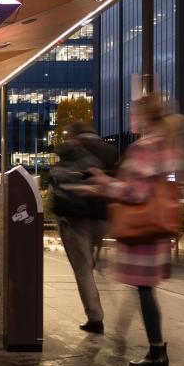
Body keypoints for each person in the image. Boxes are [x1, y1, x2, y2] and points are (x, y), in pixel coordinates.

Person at [80, 94, 184, 366]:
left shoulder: (145, 147)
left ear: (143, 116)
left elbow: (136, 192)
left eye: (135, 112)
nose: (132, 117)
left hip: (141, 229)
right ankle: (156, 349)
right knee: (145, 289)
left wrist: (104, 183)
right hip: (157, 227)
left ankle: (157, 351)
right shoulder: (166, 146)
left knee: (143, 289)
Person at [50, 122, 117, 334]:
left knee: (83, 269)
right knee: (89, 258)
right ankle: (94, 255)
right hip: (102, 218)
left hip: (75, 219)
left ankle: (95, 318)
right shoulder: (109, 150)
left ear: (74, 135)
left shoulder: (71, 152)